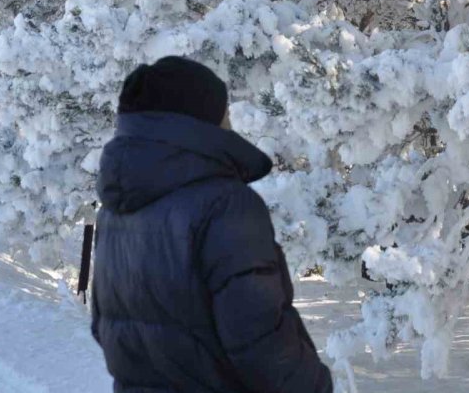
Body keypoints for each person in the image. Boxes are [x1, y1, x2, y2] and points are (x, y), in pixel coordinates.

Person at [91, 56, 333, 392]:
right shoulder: (225, 206)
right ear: (197, 123)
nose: (230, 121)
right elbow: (262, 341)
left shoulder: (115, 208)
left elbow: (105, 327)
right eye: (224, 112)